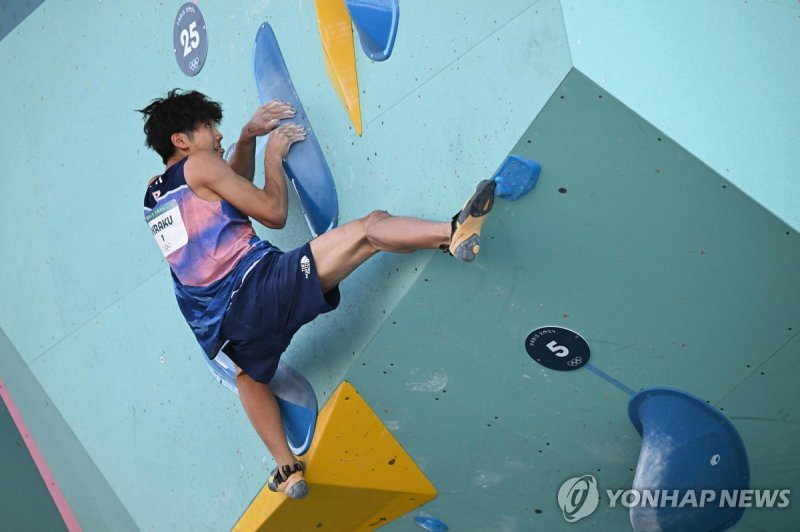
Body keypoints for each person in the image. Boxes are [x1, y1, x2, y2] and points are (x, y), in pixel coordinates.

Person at [139, 89, 495, 499]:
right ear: (181, 141)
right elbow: (271, 212)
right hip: (263, 287)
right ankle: (453, 234)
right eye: (208, 128)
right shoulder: (201, 164)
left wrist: (248, 137)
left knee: (249, 375)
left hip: (227, 328)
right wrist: (272, 156)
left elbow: (223, 193)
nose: (218, 137)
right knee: (368, 229)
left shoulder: (153, 194)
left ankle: (286, 468)